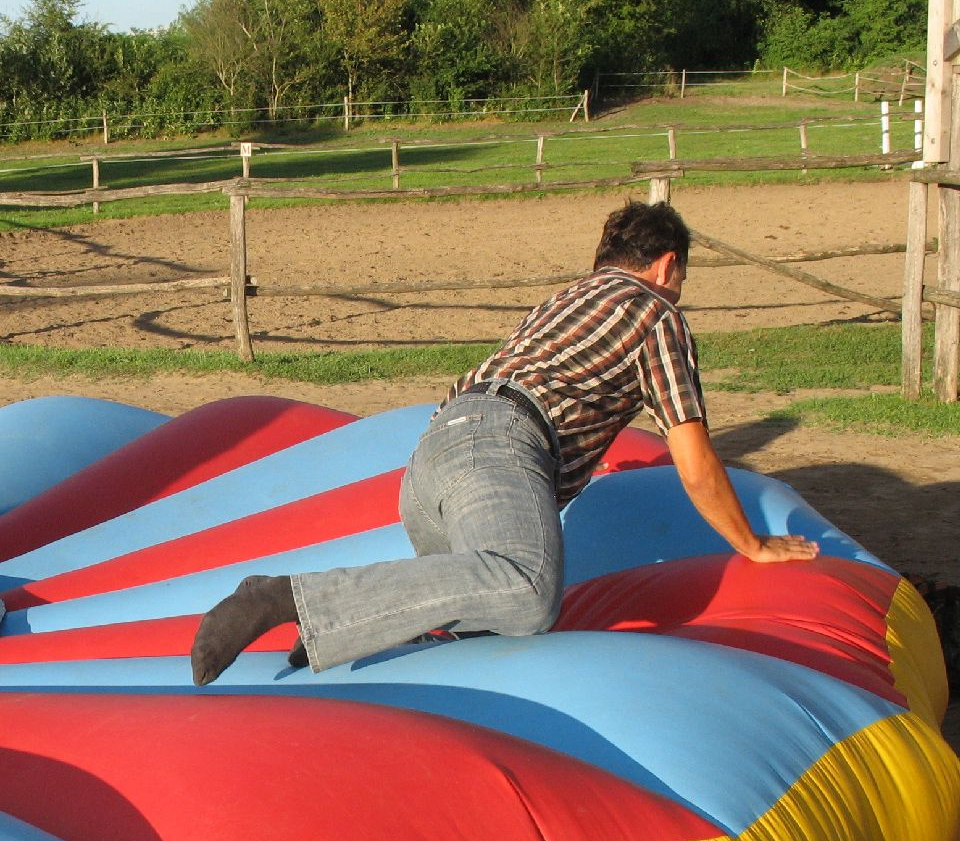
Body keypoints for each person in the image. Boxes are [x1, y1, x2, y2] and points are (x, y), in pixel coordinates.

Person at [189, 200, 820, 686]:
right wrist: (753, 544)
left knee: (488, 623)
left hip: (431, 466)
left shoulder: (565, 300)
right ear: (667, 265)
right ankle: (284, 597)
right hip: (498, 449)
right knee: (527, 589)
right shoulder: (657, 312)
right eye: (679, 276)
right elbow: (694, 457)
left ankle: (356, 633)